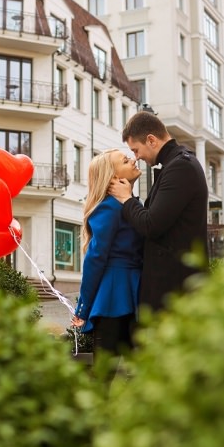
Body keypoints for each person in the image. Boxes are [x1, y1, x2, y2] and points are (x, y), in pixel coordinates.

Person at [109, 111, 208, 312]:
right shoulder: (177, 164)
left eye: (136, 150)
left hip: (176, 292)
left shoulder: (180, 167)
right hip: (174, 289)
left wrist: (126, 199)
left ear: (151, 140)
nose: (136, 157)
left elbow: (151, 224)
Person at [71, 149, 143, 364]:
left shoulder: (130, 204)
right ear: (113, 177)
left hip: (130, 291)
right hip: (113, 296)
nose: (133, 160)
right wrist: (83, 308)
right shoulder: (109, 207)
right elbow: (95, 258)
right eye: (125, 160)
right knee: (105, 375)